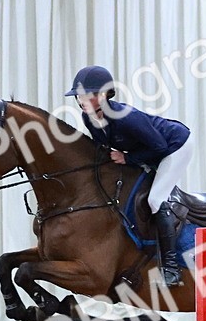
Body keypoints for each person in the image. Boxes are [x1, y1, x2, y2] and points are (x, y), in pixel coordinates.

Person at [65, 65, 192, 286]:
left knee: (155, 200)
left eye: (90, 95)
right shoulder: (89, 119)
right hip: (150, 151)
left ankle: (171, 269)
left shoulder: (125, 117)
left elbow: (160, 147)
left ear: (105, 95)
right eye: (80, 96)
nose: (83, 101)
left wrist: (128, 158)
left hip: (175, 145)